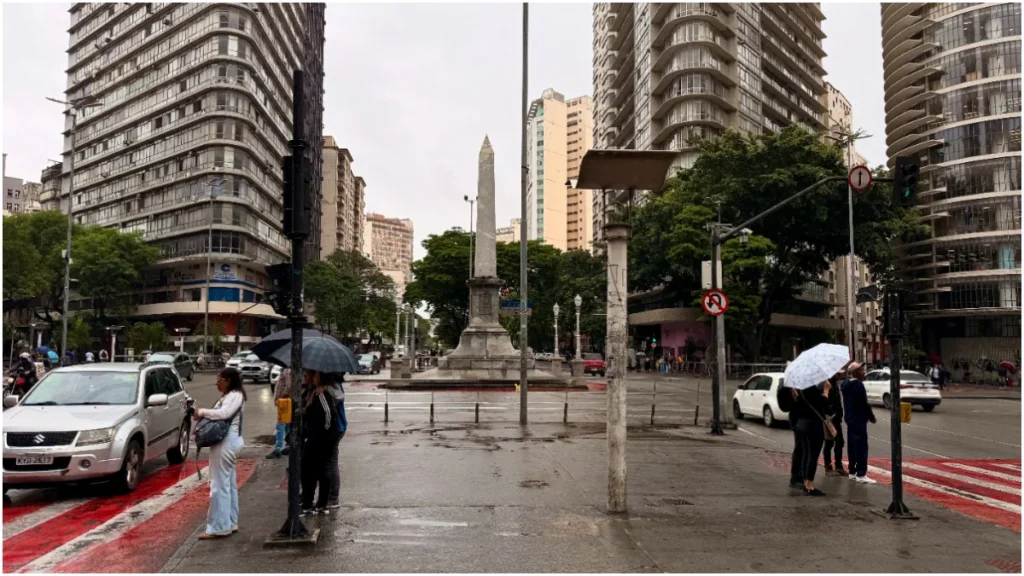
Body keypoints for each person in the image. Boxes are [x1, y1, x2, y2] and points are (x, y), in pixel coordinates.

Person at [194, 368, 246, 538]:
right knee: (228, 484)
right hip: (228, 442)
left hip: (226, 443)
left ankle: (219, 527)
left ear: (228, 380)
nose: (216, 382)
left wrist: (202, 411)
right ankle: (230, 521)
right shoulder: (230, 396)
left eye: (219, 379)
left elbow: (224, 414)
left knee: (218, 485)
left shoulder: (235, 396)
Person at [300, 371, 339, 516]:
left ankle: (320, 504)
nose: (310, 377)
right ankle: (308, 503)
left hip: (321, 439)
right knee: (309, 472)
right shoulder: (311, 392)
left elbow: (329, 416)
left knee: (320, 471)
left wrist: (321, 435)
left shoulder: (322, 395)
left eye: (314, 375)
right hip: (313, 437)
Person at [790, 379, 832, 496]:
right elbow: (823, 405)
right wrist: (826, 390)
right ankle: (809, 485)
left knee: (806, 453)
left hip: (801, 424)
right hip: (813, 425)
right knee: (813, 454)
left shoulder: (799, 390)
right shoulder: (812, 390)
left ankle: (805, 482)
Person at [842, 362, 877, 484]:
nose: (864, 373)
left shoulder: (846, 384)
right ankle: (861, 474)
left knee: (852, 446)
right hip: (859, 419)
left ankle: (852, 472)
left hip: (850, 419)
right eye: (861, 370)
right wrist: (871, 416)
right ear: (855, 373)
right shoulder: (858, 385)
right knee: (861, 446)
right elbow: (863, 404)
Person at [324, 372, 347, 509]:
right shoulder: (332, 385)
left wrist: (326, 388)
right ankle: (330, 496)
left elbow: (339, 396)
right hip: (337, 427)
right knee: (329, 461)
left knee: (331, 462)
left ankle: (333, 497)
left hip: (336, 427)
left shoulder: (333, 386)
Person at [823, 372, 848, 477]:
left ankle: (838, 466)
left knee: (839, 442)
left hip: (836, 418)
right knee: (829, 442)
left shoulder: (835, 383)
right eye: (839, 372)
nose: (842, 374)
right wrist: (831, 413)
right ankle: (828, 467)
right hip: (830, 418)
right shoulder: (828, 383)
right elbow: (826, 401)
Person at [266, 367, 292, 459]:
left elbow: (289, 386)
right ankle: (288, 446)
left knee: (280, 425)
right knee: (287, 424)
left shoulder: (287, 369)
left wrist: (282, 398)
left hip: (284, 403)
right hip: (285, 402)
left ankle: (278, 449)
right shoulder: (286, 369)